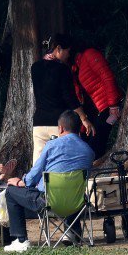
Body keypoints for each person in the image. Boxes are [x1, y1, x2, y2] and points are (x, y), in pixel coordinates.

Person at [0, 111, 97, 253]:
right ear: (79, 128)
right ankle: (72, 234)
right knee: (71, 189)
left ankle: (20, 241)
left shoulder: (51, 145)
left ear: (61, 128)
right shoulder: (89, 151)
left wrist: (22, 181)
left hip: (49, 202)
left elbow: (35, 174)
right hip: (77, 203)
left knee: (11, 192)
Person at [31, 37, 92, 166]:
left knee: (38, 161)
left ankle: (36, 185)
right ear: (58, 48)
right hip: (59, 123)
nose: (68, 55)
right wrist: (84, 118)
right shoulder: (63, 69)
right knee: (61, 160)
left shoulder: (35, 67)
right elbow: (70, 97)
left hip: (39, 122)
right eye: (67, 51)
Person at [65, 35, 122, 159]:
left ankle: (96, 171)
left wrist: (113, 105)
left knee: (97, 141)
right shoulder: (76, 67)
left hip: (108, 107)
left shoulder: (90, 54)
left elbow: (107, 77)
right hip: (95, 110)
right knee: (87, 141)